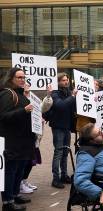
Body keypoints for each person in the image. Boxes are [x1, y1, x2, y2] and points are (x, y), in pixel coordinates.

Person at [0, 68, 35, 211]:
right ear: (11, 78)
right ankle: (8, 203)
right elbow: (4, 116)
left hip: (23, 141)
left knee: (19, 170)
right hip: (12, 141)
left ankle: (14, 195)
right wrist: (24, 111)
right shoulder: (7, 94)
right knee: (11, 170)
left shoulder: (20, 94)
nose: (22, 80)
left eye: (24, 77)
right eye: (19, 77)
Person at [20, 84, 54, 194]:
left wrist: (48, 95)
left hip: (34, 137)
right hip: (22, 137)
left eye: (28, 84)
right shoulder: (17, 98)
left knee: (31, 161)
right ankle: (19, 183)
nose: (27, 86)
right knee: (23, 161)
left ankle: (24, 181)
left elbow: (43, 108)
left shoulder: (33, 98)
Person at [49, 73, 77, 189]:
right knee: (59, 152)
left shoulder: (68, 92)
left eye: (67, 80)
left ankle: (64, 175)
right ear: (58, 82)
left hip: (66, 126)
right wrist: (72, 97)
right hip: (58, 126)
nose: (66, 82)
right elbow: (61, 106)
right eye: (64, 80)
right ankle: (55, 179)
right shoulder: (55, 93)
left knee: (65, 152)